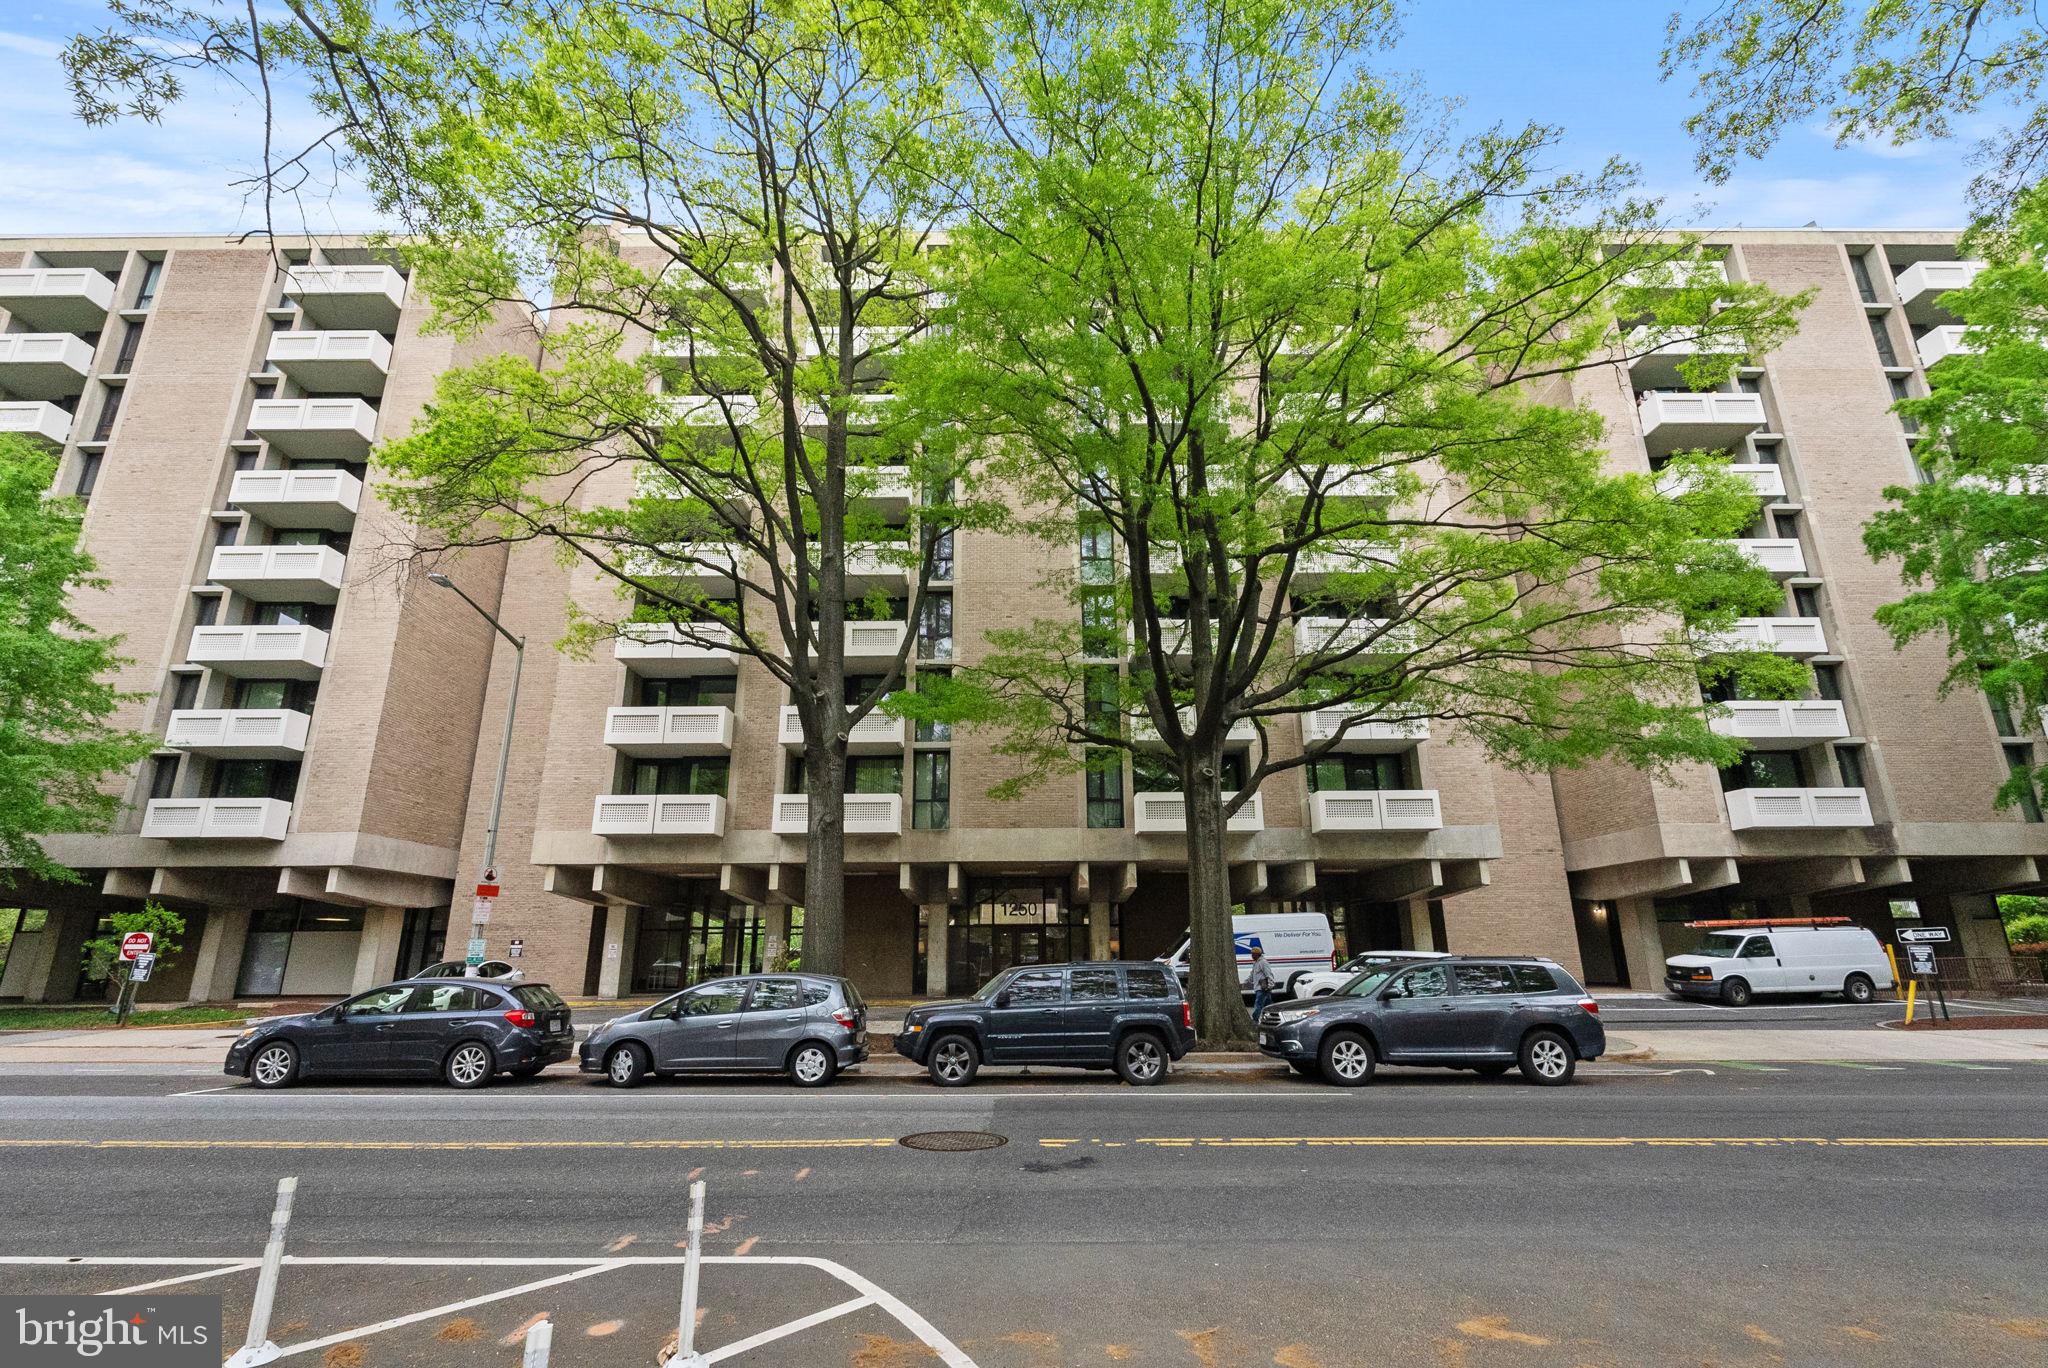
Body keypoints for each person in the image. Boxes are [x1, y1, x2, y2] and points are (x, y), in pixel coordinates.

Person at [1248, 945, 1277, 1021]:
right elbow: (1252, 974)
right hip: (1259, 987)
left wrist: (1270, 986)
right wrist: (1247, 981)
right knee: (1268, 1005)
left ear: (1258, 954)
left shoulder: (1263, 962)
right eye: (1252, 954)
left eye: (1253, 954)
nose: (1252, 955)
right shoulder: (1255, 963)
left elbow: (1269, 974)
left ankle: (1254, 1020)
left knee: (1258, 1005)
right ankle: (1273, 1018)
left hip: (1262, 988)